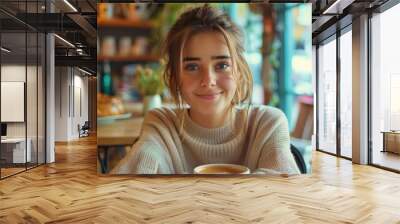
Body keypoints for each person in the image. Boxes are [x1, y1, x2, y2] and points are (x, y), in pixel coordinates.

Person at [111, 5, 300, 175]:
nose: (208, 80)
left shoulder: (266, 123)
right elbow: (128, 184)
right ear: (174, 77)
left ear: (240, 72)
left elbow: (286, 189)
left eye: (222, 65)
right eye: (192, 67)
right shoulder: (162, 124)